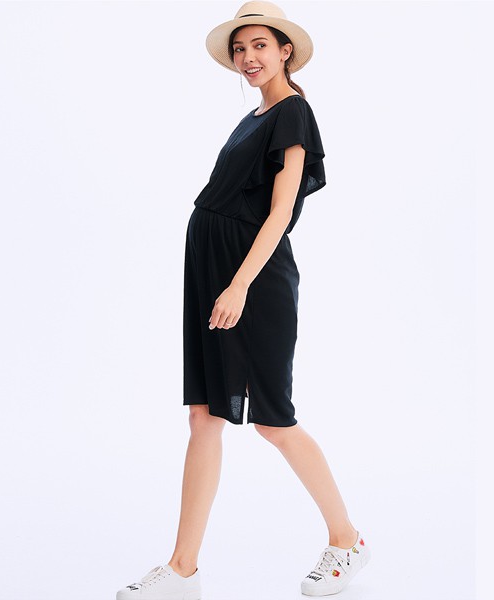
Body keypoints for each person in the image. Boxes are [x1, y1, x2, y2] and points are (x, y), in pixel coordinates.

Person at [116, 2, 371, 598]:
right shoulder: (253, 117)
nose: (248, 57)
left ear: (285, 50)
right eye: (239, 49)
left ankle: (347, 540)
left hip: (252, 279)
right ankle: (182, 570)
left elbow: (280, 212)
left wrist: (238, 285)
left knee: (273, 421)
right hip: (213, 271)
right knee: (203, 415)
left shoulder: (294, 112)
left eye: (259, 45)